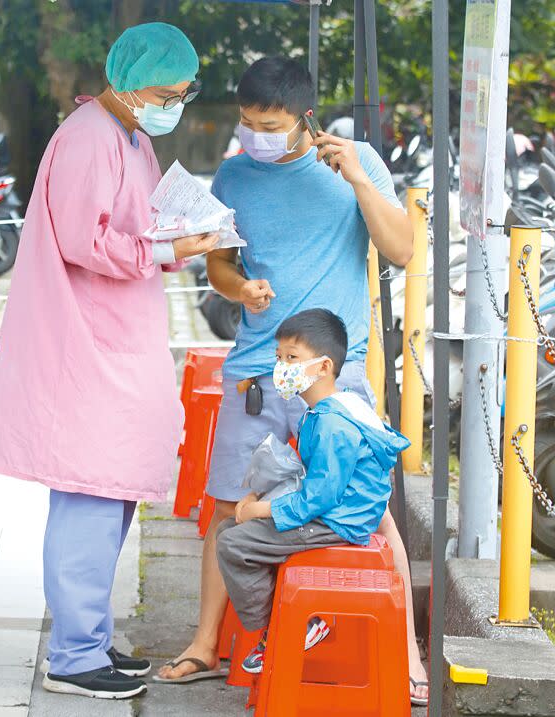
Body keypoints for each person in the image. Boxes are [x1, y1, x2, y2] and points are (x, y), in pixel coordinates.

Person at [157, 56, 428, 707]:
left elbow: (402, 249)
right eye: (248, 123)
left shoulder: (354, 162)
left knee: (371, 511)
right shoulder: (235, 172)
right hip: (257, 369)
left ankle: (410, 653)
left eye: (269, 125)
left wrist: (360, 179)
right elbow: (219, 264)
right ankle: (206, 642)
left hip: (335, 375)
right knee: (226, 504)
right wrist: (240, 287)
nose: (256, 136)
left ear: (304, 117)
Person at [0, 23, 218, 701]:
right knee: (88, 490)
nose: (176, 100)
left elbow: (136, 224)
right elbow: (91, 242)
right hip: (83, 343)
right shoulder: (89, 139)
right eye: (168, 91)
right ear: (132, 81)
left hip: (116, 338)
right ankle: (72, 654)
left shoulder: (134, 138)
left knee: (110, 490)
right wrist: (174, 251)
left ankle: (87, 636)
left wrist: (180, 233)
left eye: (183, 91)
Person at [216, 308, 410, 674]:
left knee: (233, 543)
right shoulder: (330, 408)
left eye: (292, 358)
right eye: (278, 358)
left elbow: (320, 497)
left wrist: (263, 511)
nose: (281, 367)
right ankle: (288, 619)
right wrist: (258, 496)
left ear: (323, 367)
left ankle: (282, 630)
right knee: (232, 531)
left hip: (338, 521)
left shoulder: (332, 423)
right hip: (333, 512)